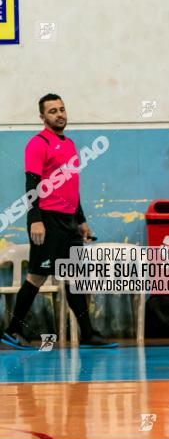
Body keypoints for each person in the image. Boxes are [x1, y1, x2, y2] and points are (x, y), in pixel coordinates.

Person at [1, 94, 115, 349]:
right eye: (53, 111)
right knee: (37, 277)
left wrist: (81, 220)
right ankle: (12, 330)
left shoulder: (71, 145)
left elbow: (70, 187)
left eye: (62, 109)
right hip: (48, 220)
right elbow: (32, 184)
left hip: (69, 222)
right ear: (42, 117)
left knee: (74, 277)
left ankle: (87, 334)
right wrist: (35, 220)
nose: (60, 114)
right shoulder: (37, 144)